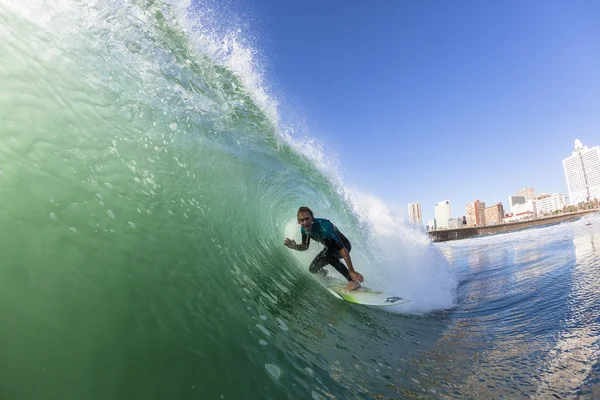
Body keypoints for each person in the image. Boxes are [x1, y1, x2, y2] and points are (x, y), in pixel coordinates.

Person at [284, 206, 364, 291]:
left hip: (344, 246)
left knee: (327, 256)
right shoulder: (304, 229)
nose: (305, 222)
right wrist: (294, 246)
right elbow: (305, 246)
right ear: (299, 222)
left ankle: (353, 281)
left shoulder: (325, 227)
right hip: (329, 248)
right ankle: (325, 273)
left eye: (307, 219)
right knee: (313, 269)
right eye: (302, 220)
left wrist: (351, 270)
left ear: (312, 218)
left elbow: (342, 249)